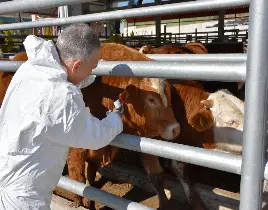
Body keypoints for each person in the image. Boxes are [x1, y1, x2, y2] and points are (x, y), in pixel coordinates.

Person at [0, 23, 124, 210]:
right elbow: (95, 136)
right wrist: (116, 118)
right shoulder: (61, 98)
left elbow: (62, 80)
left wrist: (89, 76)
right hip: (24, 198)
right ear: (77, 65)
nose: (92, 72)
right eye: (92, 68)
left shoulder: (33, 67)